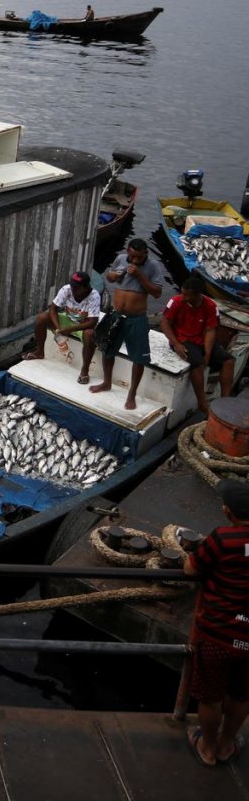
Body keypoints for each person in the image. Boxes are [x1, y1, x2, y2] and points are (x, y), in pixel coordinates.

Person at [183, 479, 249, 767]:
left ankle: (207, 747)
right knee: (242, 695)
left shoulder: (223, 538)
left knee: (210, 698)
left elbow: (190, 568)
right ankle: (226, 744)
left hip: (217, 636)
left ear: (227, 512)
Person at [90, 238, 164, 410]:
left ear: (146, 253)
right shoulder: (121, 259)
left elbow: (157, 293)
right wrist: (113, 276)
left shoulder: (153, 266)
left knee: (138, 358)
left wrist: (139, 274)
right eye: (132, 256)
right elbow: (110, 276)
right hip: (116, 315)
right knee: (108, 351)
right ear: (128, 252)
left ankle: (132, 394)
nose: (135, 260)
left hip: (136, 319)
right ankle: (106, 382)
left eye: (139, 257)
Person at [161, 276, 235, 414]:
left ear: (197, 294)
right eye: (182, 293)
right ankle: (202, 402)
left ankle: (226, 399)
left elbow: (210, 330)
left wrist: (207, 354)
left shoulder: (211, 306)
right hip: (183, 340)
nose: (183, 297)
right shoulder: (176, 302)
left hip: (200, 340)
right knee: (197, 363)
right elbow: (164, 323)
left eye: (187, 295)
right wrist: (176, 344)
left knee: (229, 360)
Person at [24, 271, 101, 384]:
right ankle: (39, 351)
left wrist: (71, 329)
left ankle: (85, 370)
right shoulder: (67, 289)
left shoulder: (94, 296)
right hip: (67, 320)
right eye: (72, 286)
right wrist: (58, 328)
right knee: (42, 318)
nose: (72, 289)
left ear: (85, 288)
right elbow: (53, 308)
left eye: (76, 288)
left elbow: (93, 322)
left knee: (90, 334)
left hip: (82, 325)